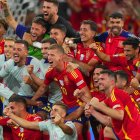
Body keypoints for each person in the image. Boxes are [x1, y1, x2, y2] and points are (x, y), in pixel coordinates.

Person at [31, 43, 92, 138]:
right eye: (48, 55)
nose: (49, 58)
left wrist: (79, 111)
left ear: (61, 57)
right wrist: (32, 101)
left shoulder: (72, 72)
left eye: (52, 55)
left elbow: (88, 96)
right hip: (65, 106)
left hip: (78, 106)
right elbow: (43, 87)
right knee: (47, 130)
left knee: (76, 128)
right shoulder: (51, 71)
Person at [85, 70, 140, 139]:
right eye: (98, 80)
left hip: (135, 135)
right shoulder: (111, 97)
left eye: (102, 79)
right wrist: (92, 111)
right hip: (130, 134)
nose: (99, 82)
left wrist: (98, 105)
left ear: (112, 82)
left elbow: (119, 115)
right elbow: (109, 122)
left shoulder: (116, 94)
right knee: (107, 131)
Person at [4, 101, 77, 140]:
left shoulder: (70, 124)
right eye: (51, 110)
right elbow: (28, 124)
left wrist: (60, 124)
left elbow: (68, 130)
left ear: (63, 114)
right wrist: (10, 115)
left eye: (56, 110)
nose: (52, 112)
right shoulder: (49, 123)